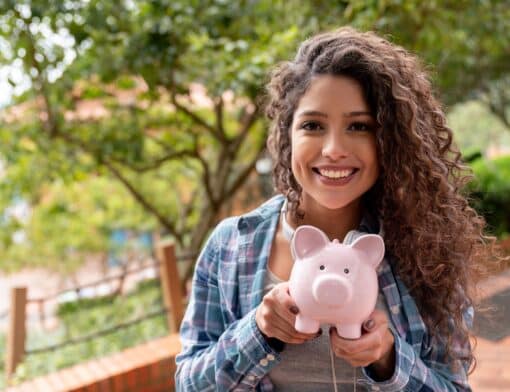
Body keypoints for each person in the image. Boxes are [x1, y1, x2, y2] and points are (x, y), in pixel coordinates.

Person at [175, 27, 493, 391]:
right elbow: (189, 384)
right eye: (313, 125)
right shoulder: (231, 245)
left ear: (388, 141)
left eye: (358, 126)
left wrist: (389, 360)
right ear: (287, 135)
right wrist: (257, 332)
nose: (333, 149)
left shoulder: (425, 251)